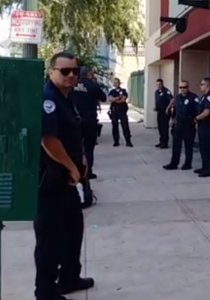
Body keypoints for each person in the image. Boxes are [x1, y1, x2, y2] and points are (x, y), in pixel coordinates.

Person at [36, 52, 94, 300]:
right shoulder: (48, 98)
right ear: (51, 71)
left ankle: (69, 277)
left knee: (73, 229)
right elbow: (48, 139)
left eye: (75, 70)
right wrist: (72, 167)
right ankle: (46, 291)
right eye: (65, 71)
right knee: (50, 238)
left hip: (66, 178)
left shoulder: (66, 98)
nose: (71, 75)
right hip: (50, 180)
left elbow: (71, 133)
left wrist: (81, 158)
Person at [73, 66, 106, 179]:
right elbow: (103, 97)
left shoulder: (73, 84)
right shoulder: (92, 85)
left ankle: (75, 170)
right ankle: (88, 172)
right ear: (89, 74)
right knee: (89, 147)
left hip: (75, 119)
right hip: (89, 119)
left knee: (74, 145)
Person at [163, 80, 199, 170]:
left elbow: (198, 110)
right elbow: (175, 111)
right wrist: (172, 119)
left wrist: (195, 120)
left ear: (188, 88)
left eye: (185, 87)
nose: (183, 89)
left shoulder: (193, 98)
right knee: (176, 145)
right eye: (181, 87)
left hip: (189, 124)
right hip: (178, 124)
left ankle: (187, 164)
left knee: (188, 146)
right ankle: (174, 163)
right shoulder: (178, 98)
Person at [194, 77, 210, 177]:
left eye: (202, 84)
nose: (200, 86)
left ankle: (209, 170)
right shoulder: (204, 96)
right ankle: (204, 167)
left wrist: (196, 118)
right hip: (202, 125)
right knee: (203, 147)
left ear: (208, 85)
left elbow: (206, 112)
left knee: (207, 148)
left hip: (208, 126)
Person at [108, 77, 133, 147]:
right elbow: (110, 99)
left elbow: (123, 100)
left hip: (122, 110)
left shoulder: (123, 90)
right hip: (114, 110)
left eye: (116, 82)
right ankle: (116, 141)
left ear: (119, 83)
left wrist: (115, 100)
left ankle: (128, 141)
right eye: (114, 82)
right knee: (114, 126)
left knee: (125, 126)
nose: (115, 84)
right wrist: (118, 98)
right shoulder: (112, 91)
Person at [154, 79, 174, 148]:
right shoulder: (156, 92)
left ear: (162, 84)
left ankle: (165, 143)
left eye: (160, 84)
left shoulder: (166, 91)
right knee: (160, 127)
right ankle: (161, 141)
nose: (159, 86)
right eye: (157, 84)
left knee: (164, 128)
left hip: (165, 113)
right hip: (159, 112)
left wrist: (168, 108)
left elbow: (172, 100)